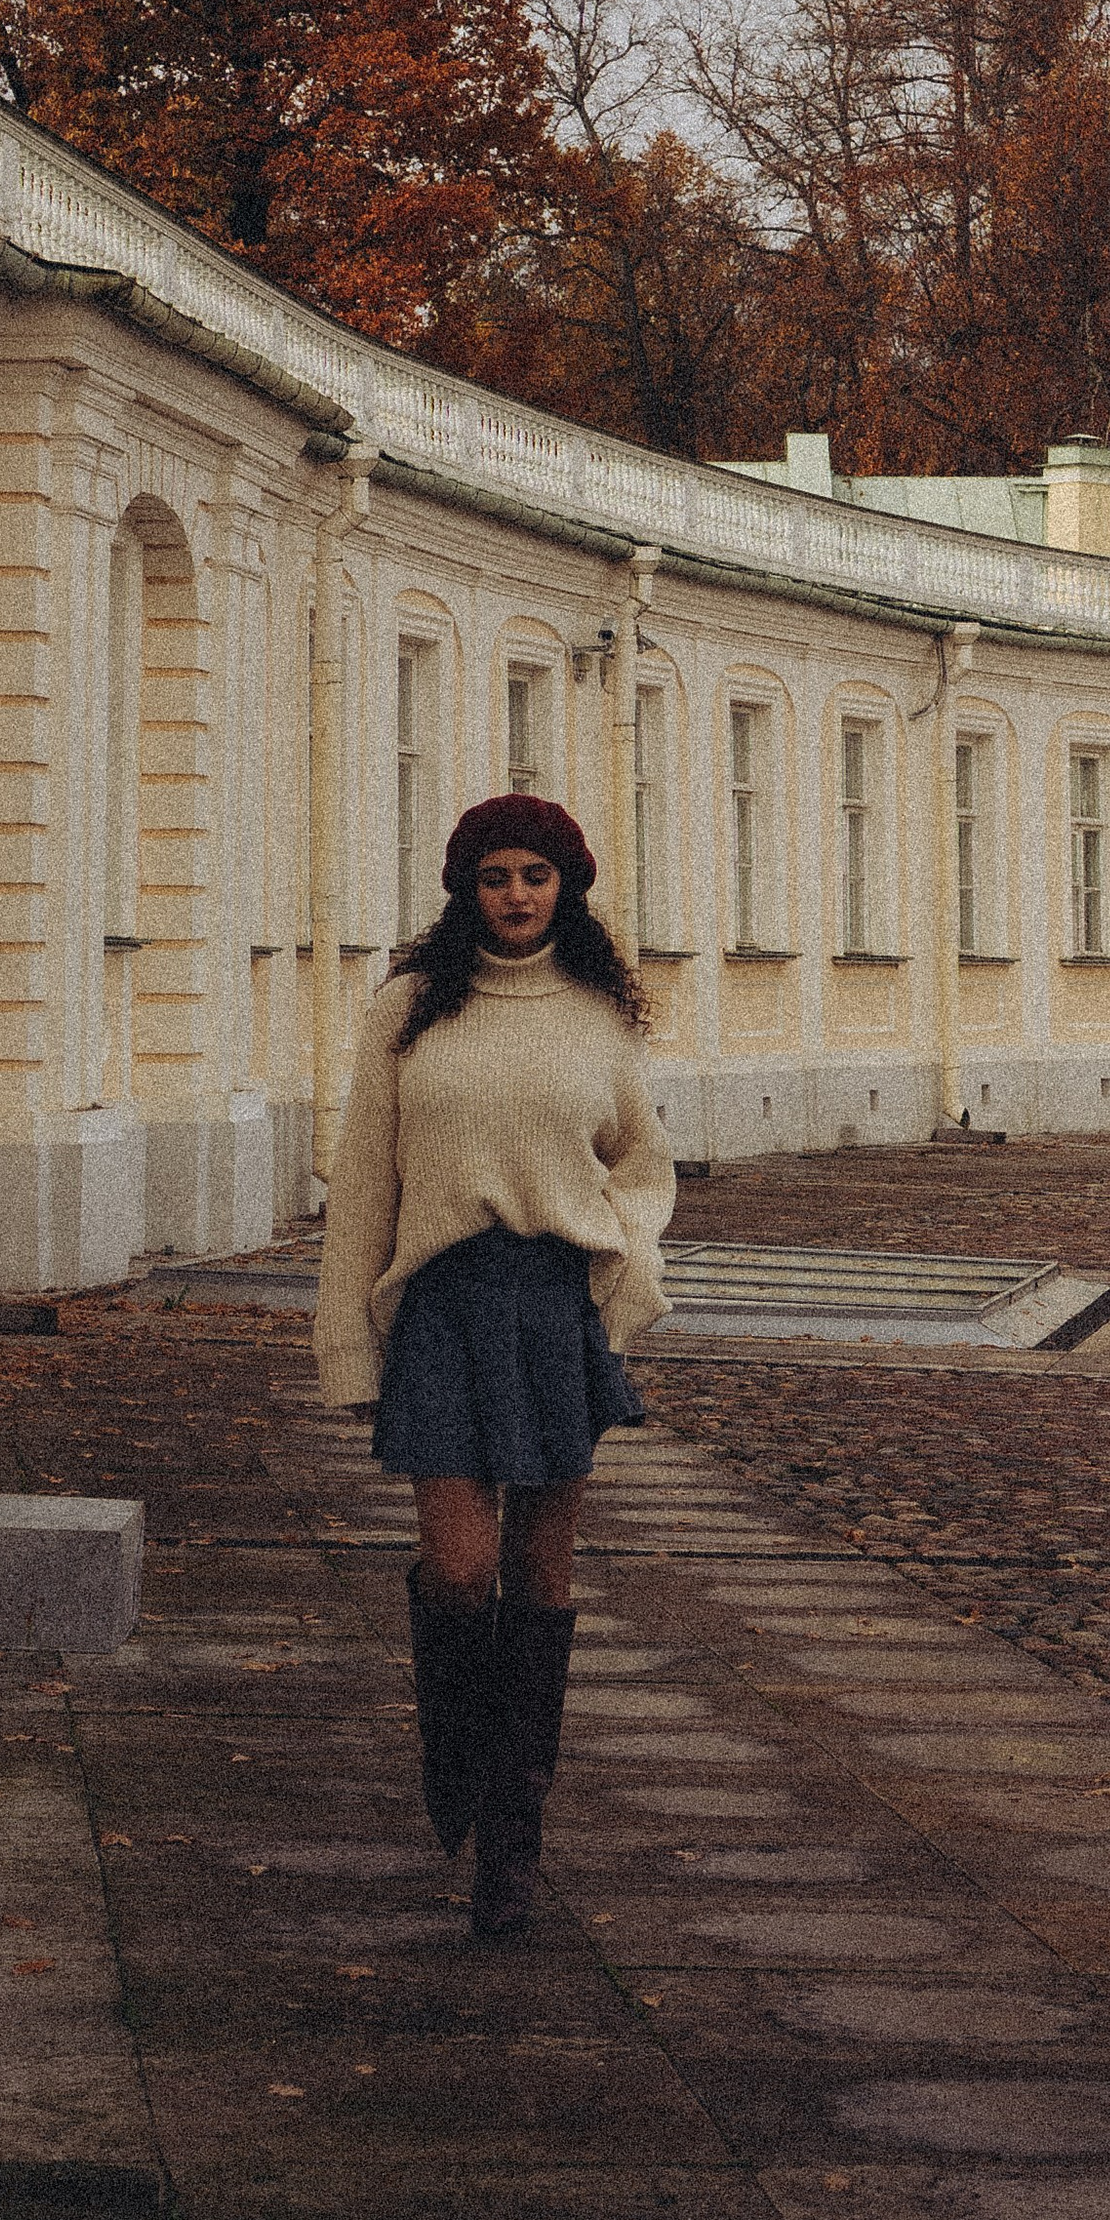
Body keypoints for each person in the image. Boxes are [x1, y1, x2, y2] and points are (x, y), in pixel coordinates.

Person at [314, 796, 674, 1938]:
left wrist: (622, 1276)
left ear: (566, 887)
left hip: (552, 1308)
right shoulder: (409, 1011)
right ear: (463, 890)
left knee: (542, 1580)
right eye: (493, 877)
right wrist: (346, 1342)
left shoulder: (599, 1017)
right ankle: (454, 1751)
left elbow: (641, 1167)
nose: (515, 895)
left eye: (534, 876)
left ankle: (512, 1843)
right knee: (459, 1570)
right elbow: (364, 1177)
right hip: (445, 1307)